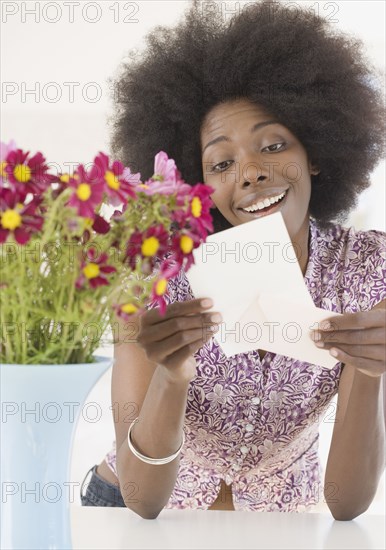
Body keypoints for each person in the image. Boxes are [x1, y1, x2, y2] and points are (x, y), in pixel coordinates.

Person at [80, 0, 386, 518]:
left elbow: (346, 505)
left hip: (279, 522)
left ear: (315, 152)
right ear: (198, 185)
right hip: (130, 508)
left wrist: (372, 368)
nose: (249, 172)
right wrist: (172, 377)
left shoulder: (366, 269)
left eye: (272, 145)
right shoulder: (154, 277)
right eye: (222, 162)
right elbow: (142, 500)